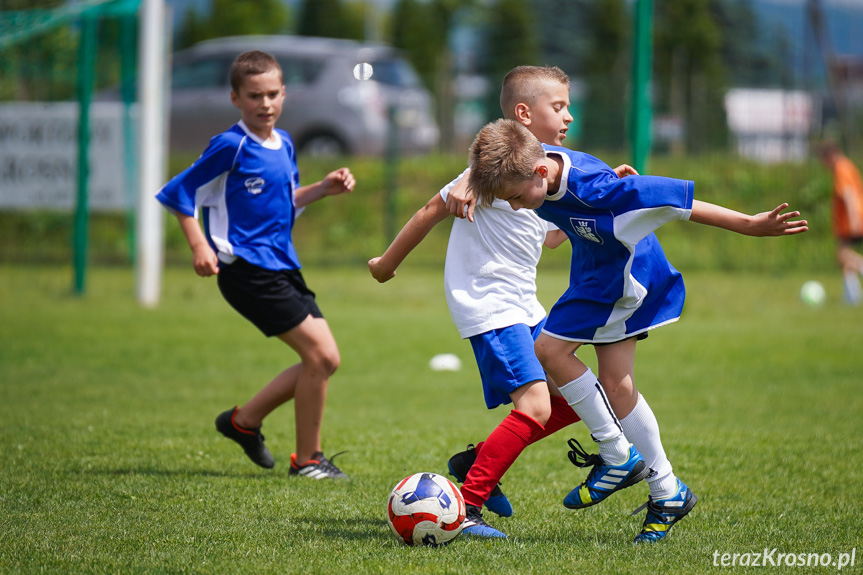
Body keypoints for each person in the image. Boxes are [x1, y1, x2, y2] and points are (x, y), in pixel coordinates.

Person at [467, 118, 808, 542]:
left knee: (549, 351)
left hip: (624, 278)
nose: (517, 207)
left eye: (517, 198)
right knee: (616, 384)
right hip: (598, 274)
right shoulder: (540, 171)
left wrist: (749, 225)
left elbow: (676, 202)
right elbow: (556, 230)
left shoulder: (598, 191)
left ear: (540, 172)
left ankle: (616, 453)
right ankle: (667, 492)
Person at [369, 66, 643, 539]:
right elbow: (430, 211)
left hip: (524, 306)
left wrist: (600, 194)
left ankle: (476, 460)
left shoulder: (539, 174)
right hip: (490, 306)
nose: (569, 116)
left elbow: (553, 238)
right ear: (524, 113)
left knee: (579, 398)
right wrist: (387, 263)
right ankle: (469, 505)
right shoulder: (488, 171)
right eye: (558, 107)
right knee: (536, 404)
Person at [156, 50, 356, 479]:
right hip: (245, 270)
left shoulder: (283, 142)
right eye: (253, 96)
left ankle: (242, 423)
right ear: (235, 99)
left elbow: (284, 200)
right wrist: (199, 246)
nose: (264, 104)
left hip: (282, 265)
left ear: (284, 94)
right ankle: (307, 460)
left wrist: (322, 188)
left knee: (324, 360)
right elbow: (178, 193)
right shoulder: (231, 145)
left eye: (271, 94)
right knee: (321, 356)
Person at [819, 141, 863, 305]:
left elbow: (849, 194)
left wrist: (854, 220)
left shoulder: (841, 167)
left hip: (851, 220)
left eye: (824, 160)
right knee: (843, 257)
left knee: (843, 255)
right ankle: (852, 297)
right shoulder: (846, 166)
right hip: (848, 220)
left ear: (830, 156)